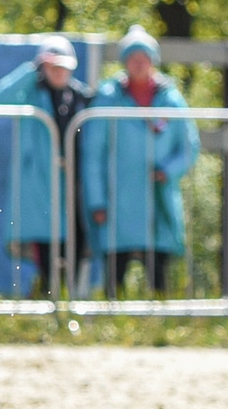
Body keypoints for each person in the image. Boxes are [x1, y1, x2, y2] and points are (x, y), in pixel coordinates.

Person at [84, 26, 196, 297]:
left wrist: (167, 171)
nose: (138, 63)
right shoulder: (108, 98)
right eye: (132, 57)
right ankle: (114, 320)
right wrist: (97, 201)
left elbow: (189, 147)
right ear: (124, 62)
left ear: (153, 61)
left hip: (157, 197)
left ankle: (160, 321)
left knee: (158, 264)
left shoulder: (171, 100)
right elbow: (92, 154)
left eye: (143, 57)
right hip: (118, 197)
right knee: (115, 266)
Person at [0, 35, 91, 298]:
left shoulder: (81, 96)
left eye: (62, 67)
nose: (59, 73)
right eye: (52, 67)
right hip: (39, 182)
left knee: (76, 239)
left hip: (74, 182)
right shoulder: (29, 92)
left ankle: (68, 298)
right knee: (45, 241)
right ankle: (47, 295)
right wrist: (30, 70)